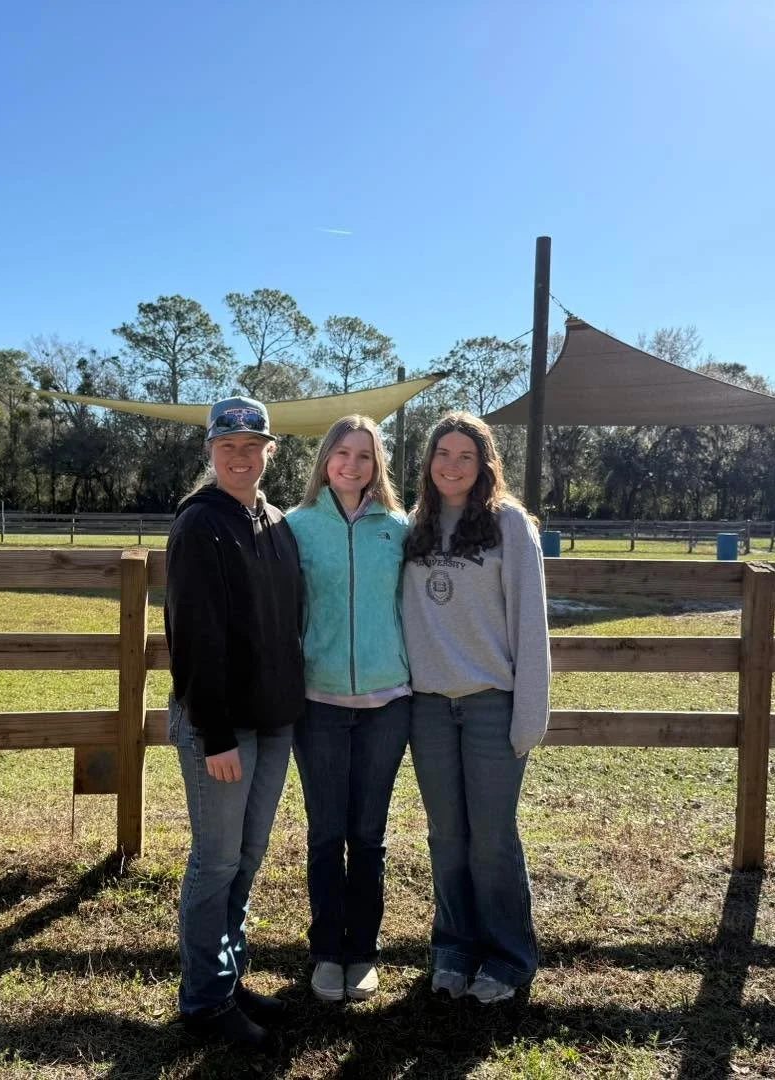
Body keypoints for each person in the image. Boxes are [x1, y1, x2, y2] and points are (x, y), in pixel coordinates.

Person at [165, 396, 305, 1047]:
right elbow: (194, 637)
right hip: (221, 729)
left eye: (253, 447)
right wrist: (216, 734)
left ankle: (228, 975)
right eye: (229, 448)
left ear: (269, 452)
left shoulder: (274, 523)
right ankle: (203, 1000)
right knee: (217, 861)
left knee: (247, 859)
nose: (241, 457)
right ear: (211, 453)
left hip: (272, 722)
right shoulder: (200, 525)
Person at [402, 410, 550, 1005]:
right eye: (443, 454)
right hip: (430, 708)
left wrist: (528, 714)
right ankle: (454, 948)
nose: (452, 466)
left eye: (466, 456)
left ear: (485, 463)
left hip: (492, 704)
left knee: (491, 837)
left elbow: (531, 624)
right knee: (447, 836)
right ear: (429, 462)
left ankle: (508, 956)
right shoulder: (414, 525)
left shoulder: (509, 525)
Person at [285, 415, 411, 1003]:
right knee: (325, 832)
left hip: (388, 704)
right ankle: (325, 953)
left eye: (364, 455)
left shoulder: (401, 528)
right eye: (342, 453)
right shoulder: (296, 527)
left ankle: (362, 951)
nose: (352, 465)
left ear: (377, 464)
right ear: (324, 460)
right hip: (320, 704)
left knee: (368, 835)